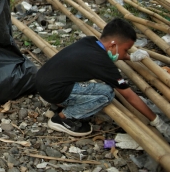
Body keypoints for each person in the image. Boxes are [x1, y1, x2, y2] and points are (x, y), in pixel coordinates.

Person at [36, 18, 170, 138]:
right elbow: (129, 95)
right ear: (112, 45)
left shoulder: (89, 41)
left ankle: (60, 102)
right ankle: (63, 118)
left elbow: (114, 53)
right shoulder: (102, 62)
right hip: (53, 91)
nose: (126, 53)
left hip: (44, 82)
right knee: (106, 93)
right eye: (126, 50)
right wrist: (156, 120)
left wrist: (131, 57)